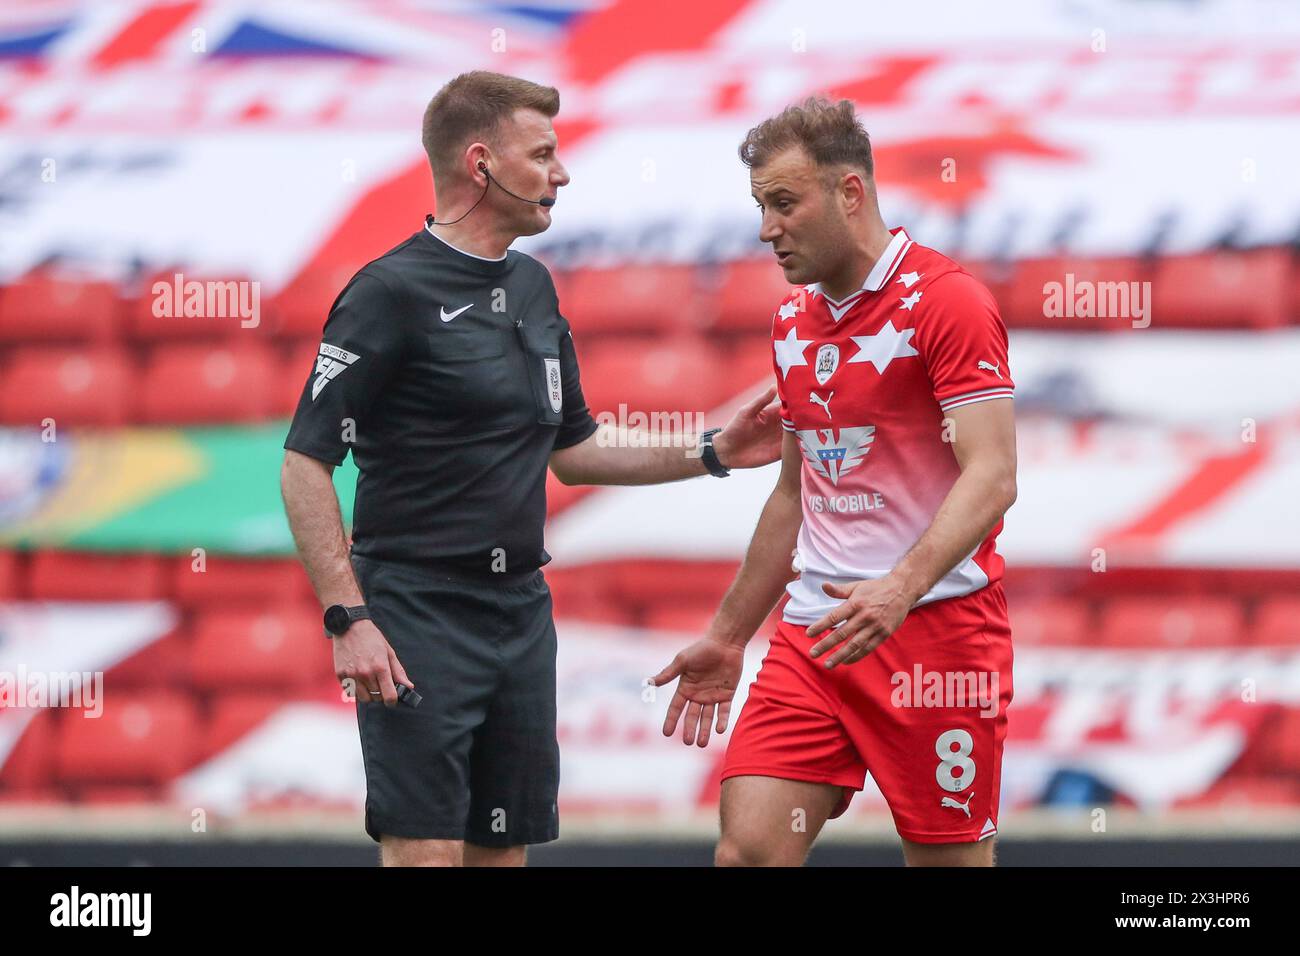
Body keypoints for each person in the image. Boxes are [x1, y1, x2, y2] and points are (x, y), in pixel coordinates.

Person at [280, 71, 782, 867]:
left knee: (502, 858)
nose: (562, 172)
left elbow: (574, 451)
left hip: (519, 611)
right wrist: (349, 618)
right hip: (416, 610)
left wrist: (713, 448)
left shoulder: (534, 286)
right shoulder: (388, 292)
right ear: (481, 164)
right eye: (543, 153)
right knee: (429, 858)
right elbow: (306, 462)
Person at [653, 96, 1018, 867]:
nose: (765, 228)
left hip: (937, 640)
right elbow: (794, 493)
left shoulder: (947, 301)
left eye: (784, 203)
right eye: (760, 206)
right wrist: (726, 637)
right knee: (748, 851)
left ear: (850, 192)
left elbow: (993, 475)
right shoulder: (792, 321)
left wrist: (900, 587)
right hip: (817, 634)